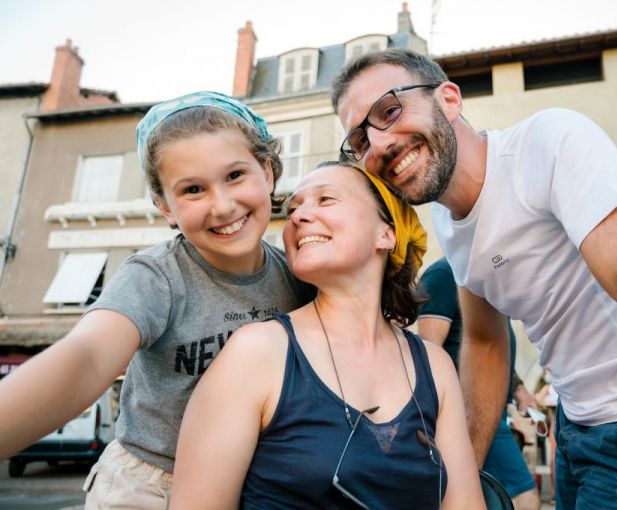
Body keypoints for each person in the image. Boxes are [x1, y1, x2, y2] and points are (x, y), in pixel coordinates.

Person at [330, 48, 617, 509]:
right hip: (577, 433)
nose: (377, 145)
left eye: (389, 111)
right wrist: (460, 480)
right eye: (359, 142)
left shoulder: (548, 141)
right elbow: (484, 342)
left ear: (450, 99)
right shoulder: (447, 221)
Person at [0, 91, 314, 509]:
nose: (222, 205)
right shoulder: (156, 277)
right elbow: (88, 357)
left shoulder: (297, 277)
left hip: (253, 486)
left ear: (269, 173)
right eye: (193, 189)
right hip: (150, 485)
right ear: (165, 207)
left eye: (236, 175)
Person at [169, 161, 485, 509]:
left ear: (387, 233)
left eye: (326, 199)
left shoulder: (435, 367)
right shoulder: (257, 352)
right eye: (293, 208)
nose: (298, 216)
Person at [418, 257, 540, 510]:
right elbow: (429, 351)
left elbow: (492, 348)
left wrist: (518, 389)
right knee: (524, 498)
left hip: (494, 411)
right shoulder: (444, 274)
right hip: (471, 412)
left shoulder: (484, 277)